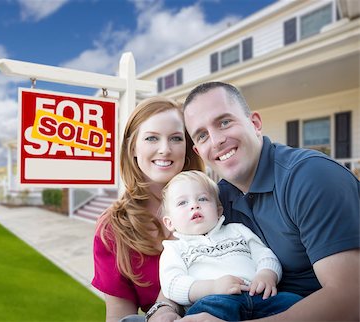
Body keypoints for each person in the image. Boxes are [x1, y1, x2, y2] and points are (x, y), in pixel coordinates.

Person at [166, 81, 359, 321]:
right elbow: (185, 257)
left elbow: (350, 299)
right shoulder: (218, 199)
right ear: (198, 151)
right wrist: (163, 309)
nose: (216, 141)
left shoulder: (312, 177)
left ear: (255, 124)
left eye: (224, 122)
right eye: (203, 135)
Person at [92, 96, 205, 322]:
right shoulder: (113, 229)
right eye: (152, 138)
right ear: (133, 147)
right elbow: (120, 317)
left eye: (175, 138)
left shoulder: (216, 202)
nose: (165, 149)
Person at [159, 170, 302, 320]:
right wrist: (213, 287)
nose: (194, 205)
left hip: (258, 294)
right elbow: (172, 284)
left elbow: (264, 254)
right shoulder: (174, 249)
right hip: (214, 300)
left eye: (202, 199)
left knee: (294, 302)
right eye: (183, 202)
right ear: (169, 222)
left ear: (219, 210)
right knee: (201, 314)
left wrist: (267, 274)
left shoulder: (238, 230)